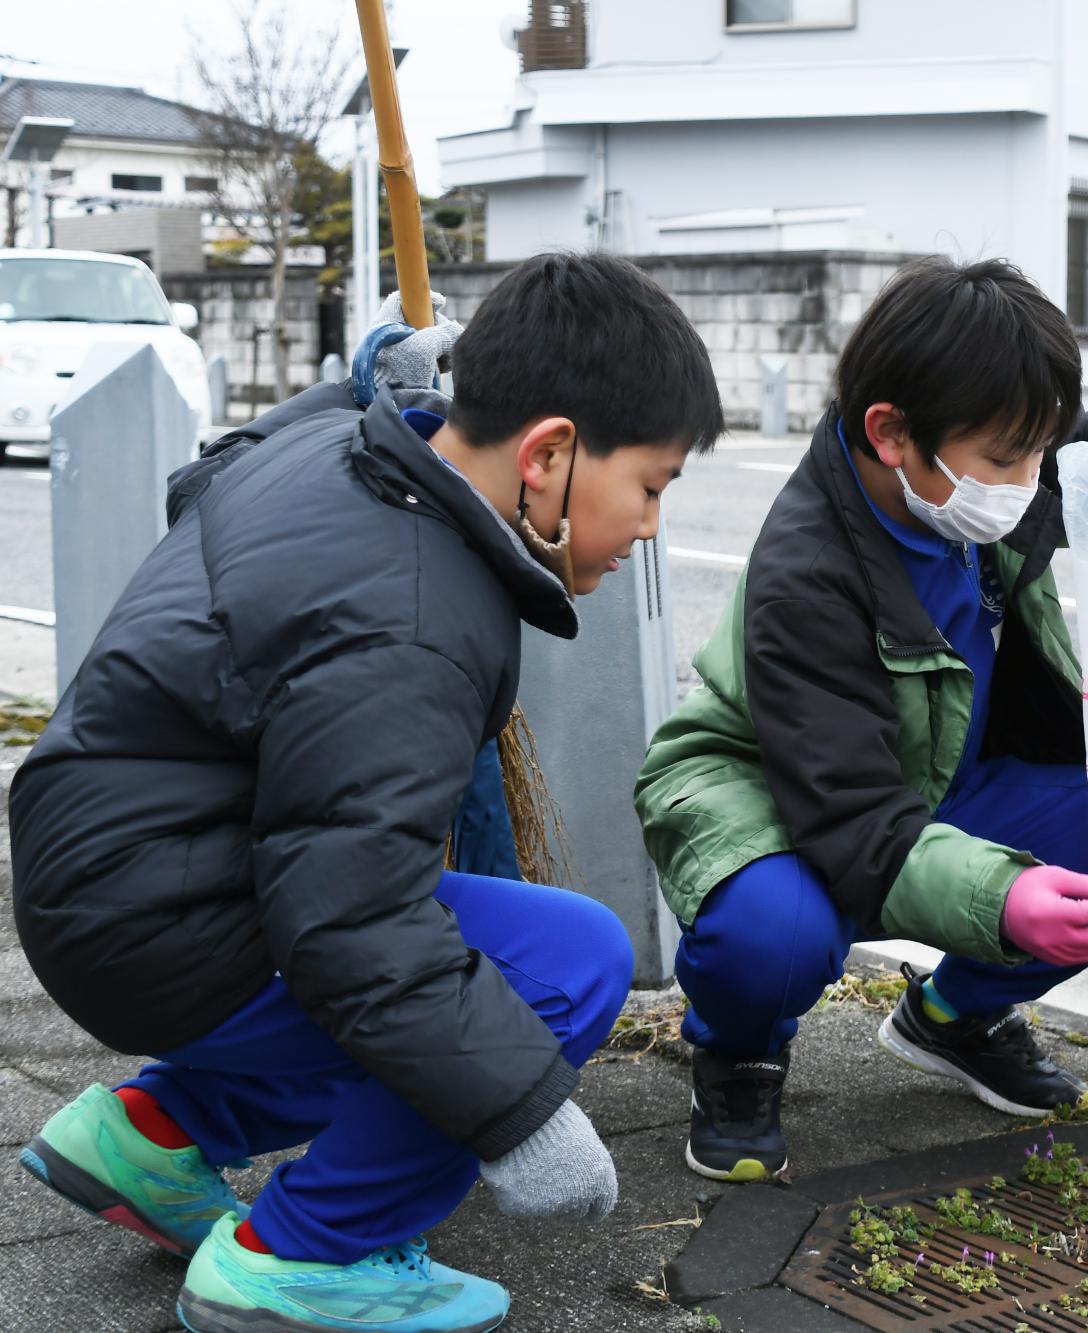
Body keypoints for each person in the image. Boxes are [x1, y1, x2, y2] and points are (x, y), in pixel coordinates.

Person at [9, 252, 724, 1333]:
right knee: (567, 963)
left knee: (421, 981)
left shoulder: (343, 452)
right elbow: (352, 921)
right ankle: (305, 1255)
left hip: (106, 871)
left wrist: (376, 383)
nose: (650, 527)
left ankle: (154, 1131)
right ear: (548, 454)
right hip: (163, 920)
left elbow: (216, 464)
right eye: (652, 486)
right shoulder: (416, 614)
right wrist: (520, 1111)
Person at [634, 254, 1088, 1182]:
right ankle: (735, 1048)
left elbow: (1076, 444)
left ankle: (954, 1017)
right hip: (774, 798)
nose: (1031, 480)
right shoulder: (807, 577)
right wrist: (1003, 896)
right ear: (890, 433)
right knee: (777, 931)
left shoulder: (971, 485)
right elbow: (854, 821)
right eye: (1007, 458)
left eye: (1034, 453)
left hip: (929, 780)